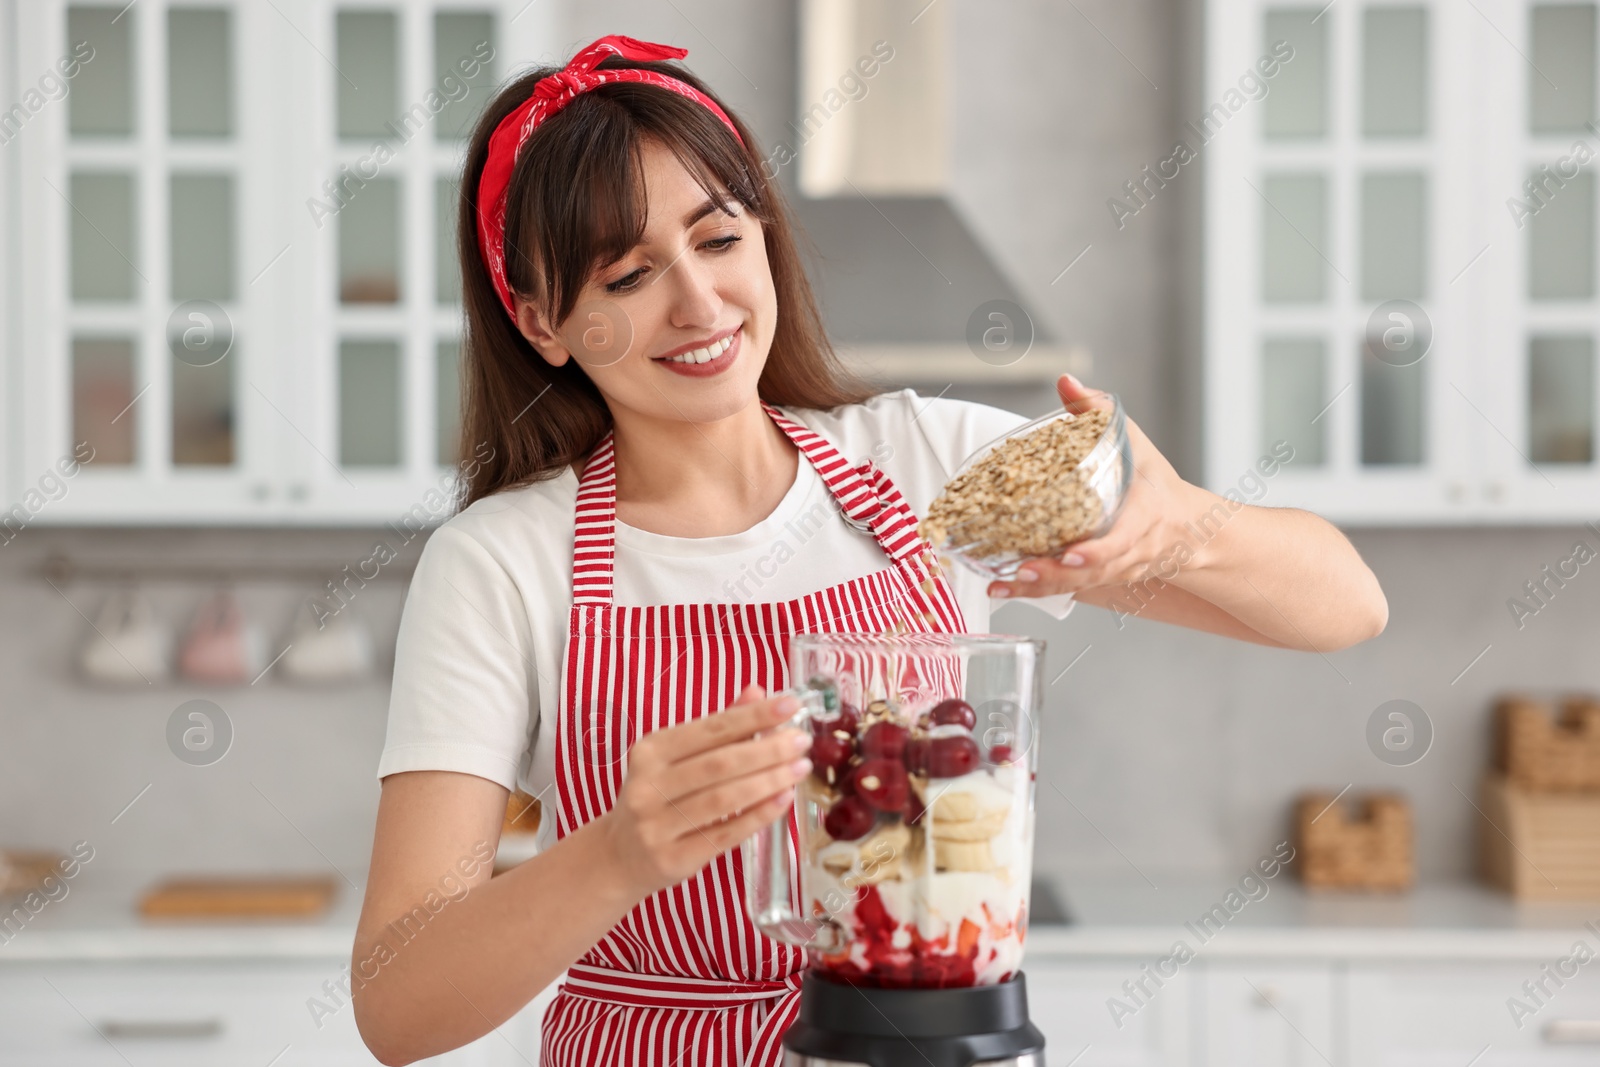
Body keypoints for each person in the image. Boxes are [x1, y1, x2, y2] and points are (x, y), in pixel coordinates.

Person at [352, 35, 1388, 1067]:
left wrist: (1181, 528)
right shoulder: (498, 564)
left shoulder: (925, 465)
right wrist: (618, 853)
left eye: (719, 240)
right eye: (627, 275)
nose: (699, 304)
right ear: (541, 322)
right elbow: (397, 1005)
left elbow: (1344, 605)